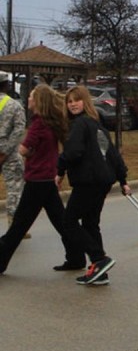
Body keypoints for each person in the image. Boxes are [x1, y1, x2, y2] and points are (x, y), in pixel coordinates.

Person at [0, 85, 84, 278]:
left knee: (19, 225)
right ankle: (76, 257)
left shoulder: (38, 123)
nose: (28, 99)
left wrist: (28, 151)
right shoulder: (51, 122)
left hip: (37, 179)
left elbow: (23, 149)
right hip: (48, 176)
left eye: (30, 96)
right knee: (61, 221)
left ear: (38, 101)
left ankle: (1, 261)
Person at [55, 85, 130, 285]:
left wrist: (60, 170)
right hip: (103, 181)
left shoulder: (80, 125)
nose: (72, 105)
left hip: (89, 181)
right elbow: (113, 155)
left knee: (69, 222)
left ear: (85, 101)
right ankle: (100, 273)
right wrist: (122, 180)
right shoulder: (98, 126)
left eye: (76, 100)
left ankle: (99, 258)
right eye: (69, 102)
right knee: (90, 223)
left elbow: (72, 152)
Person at [0, 72, 26, 237]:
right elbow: (18, 131)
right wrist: (5, 152)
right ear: (6, 85)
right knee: (14, 189)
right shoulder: (14, 105)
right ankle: (15, 229)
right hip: (8, 154)